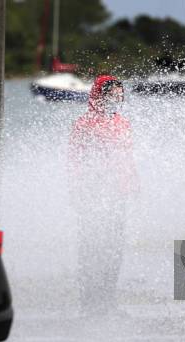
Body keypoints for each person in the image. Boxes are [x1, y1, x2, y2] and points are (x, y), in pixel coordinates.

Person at [68, 75, 138, 317]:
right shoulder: (84, 124)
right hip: (92, 194)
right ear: (100, 95)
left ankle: (109, 301)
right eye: (113, 93)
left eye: (120, 93)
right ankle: (89, 303)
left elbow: (127, 157)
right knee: (91, 248)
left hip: (117, 195)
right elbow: (75, 160)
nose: (118, 97)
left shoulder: (123, 123)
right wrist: (77, 191)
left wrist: (134, 182)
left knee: (114, 248)